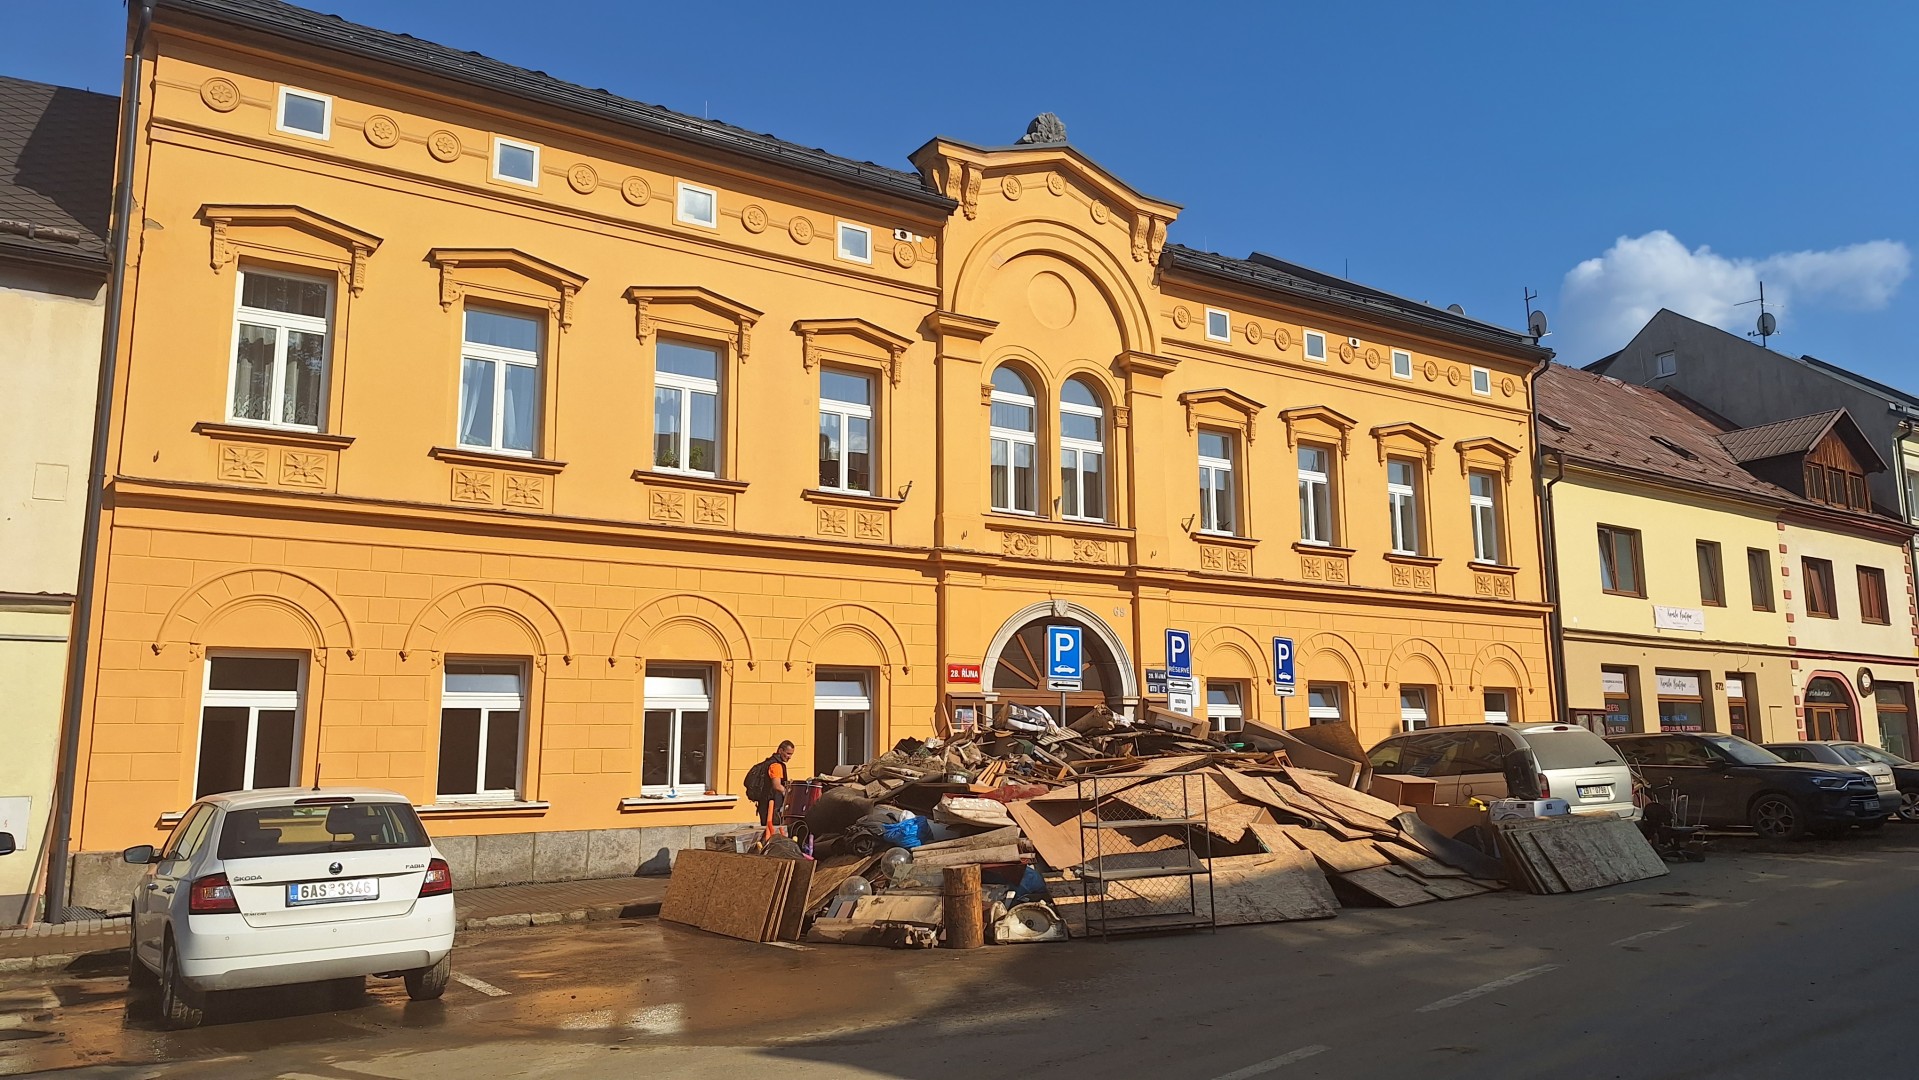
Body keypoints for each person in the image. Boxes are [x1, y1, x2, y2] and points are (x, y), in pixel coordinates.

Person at [754, 740, 796, 831]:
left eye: (791, 754)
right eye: (788, 753)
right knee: (773, 832)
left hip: (764, 804)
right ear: (780, 751)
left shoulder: (768, 762)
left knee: (767, 831)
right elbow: (777, 786)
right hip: (772, 807)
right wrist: (789, 794)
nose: (790, 757)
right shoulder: (776, 765)